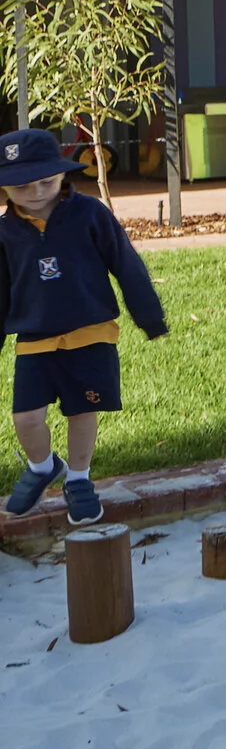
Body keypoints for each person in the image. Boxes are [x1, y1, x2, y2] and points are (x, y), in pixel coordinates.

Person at [0, 129, 169, 526]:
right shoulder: (5, 233)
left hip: (90, 333)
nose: (37, 192)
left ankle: (78, 478)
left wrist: (149, 317)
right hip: (34, 339)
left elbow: (127, 265)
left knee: (82, 410)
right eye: (23, 186)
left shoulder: (91, 214)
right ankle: (43, 467)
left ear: (62, 175)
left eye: (46, 181)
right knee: (26, 418)